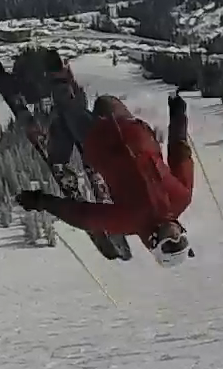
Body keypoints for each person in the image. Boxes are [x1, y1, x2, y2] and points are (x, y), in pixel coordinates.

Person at [16, 56, 196, 267]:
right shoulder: (180, 198)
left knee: (76, 111)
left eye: (169, 244)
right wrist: (178, 114)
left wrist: (42, 201)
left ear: (154, 244)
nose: (174, 236)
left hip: (105, 138)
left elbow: (83, 216)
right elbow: (180, 152)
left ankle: (60, 78)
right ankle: (62, 103)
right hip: (123, 131)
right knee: (93, 105)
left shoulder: (130, 220)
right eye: (181, 241)